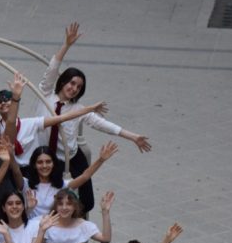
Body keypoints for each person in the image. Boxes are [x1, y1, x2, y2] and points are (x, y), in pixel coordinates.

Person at [35, 22, 150, 214]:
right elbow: (52, 69)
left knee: (87, 201)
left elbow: (103, 124)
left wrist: (133, 136)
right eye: (71, 83)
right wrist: (67, 45)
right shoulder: (46, 94)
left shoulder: (80, 109)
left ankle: (77, 221)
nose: (73, 88)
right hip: (49, 157)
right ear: (63, 82)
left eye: (78, 87)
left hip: (72, 156)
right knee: (53, 198)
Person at [23, 142, 114, 220]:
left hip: (55, 230)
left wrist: (101, 160)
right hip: (33, 231)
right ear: (34, 165)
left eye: (48, 162)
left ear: (54, 164)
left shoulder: (62, 185)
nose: (44, 166)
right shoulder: (25, 183)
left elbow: (85, 176)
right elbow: (15, 171)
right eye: (40, 162)